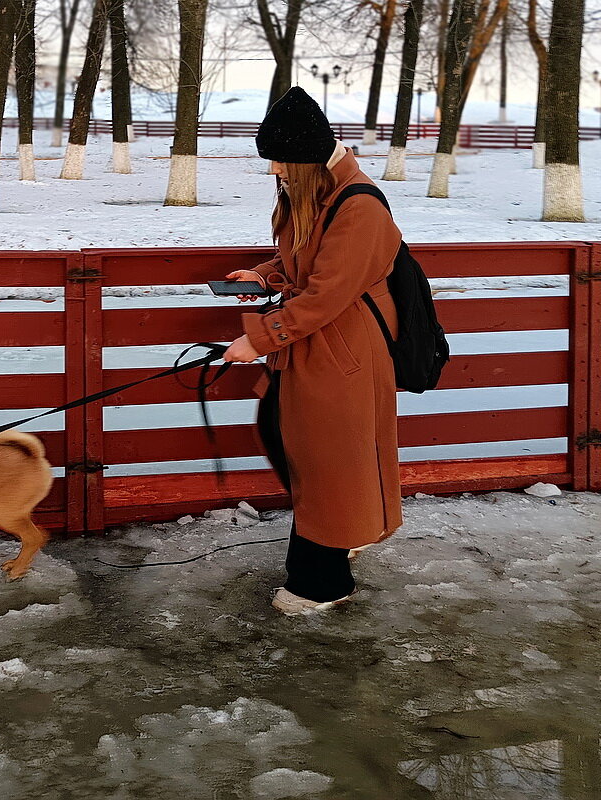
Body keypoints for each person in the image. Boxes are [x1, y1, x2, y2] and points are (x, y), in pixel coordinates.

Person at [220, 87, 404, 615]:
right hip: (313, 342)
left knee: (328, 460)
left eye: (280, 162)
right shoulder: (314, 192)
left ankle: (319, 582)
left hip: (344, 348)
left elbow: (328, 292)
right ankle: (342, 538)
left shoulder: (359, 206)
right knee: (291, 439)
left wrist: (257, 339)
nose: (275, 171)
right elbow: (307, 263)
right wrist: (266, 273)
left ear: (305, 159)